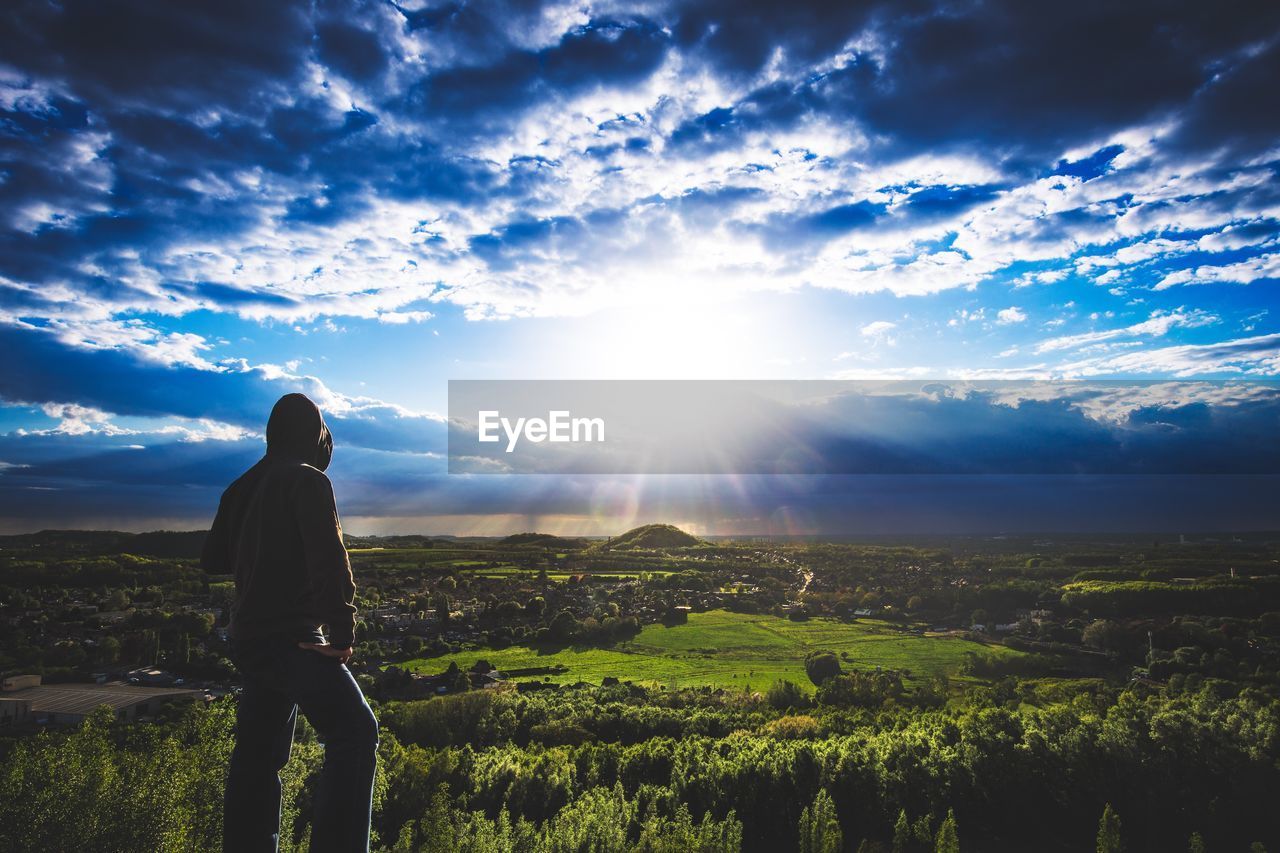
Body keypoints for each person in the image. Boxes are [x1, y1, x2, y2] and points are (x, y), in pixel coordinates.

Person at [202, 393, 378, 853]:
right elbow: (328, 559)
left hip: (249, 638)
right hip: (294, 639)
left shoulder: (240, 487)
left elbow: (212, 559)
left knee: (259, 755)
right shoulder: (308, 481)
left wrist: (260, 547)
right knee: (355, 732)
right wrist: (341, 635)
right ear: (315, 434)